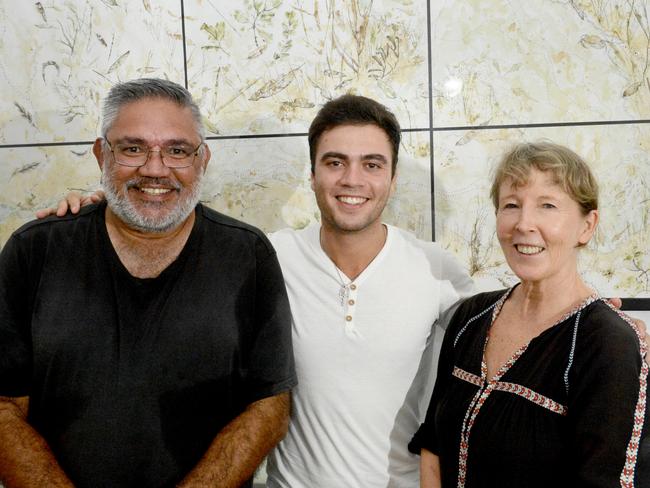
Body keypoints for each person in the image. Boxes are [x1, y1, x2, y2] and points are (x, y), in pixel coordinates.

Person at [36, 98, 646, 487]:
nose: (352, 180)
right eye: (334, 162)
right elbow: (165, 229)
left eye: (372, 164)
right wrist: (97, 209)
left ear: (392, 177)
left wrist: (597, 322)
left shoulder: (442, 275)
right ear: (312, 172)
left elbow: (531, 292)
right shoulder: (261, 257)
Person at [0, 78, 296, 488]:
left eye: (177, 151)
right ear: (102, 153)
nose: (155, 169)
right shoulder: (34, 251)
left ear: (202, 159)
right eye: (133, 148)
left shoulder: (248, 254)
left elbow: (270, 404)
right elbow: (4, 406)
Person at [409, 142, 649, 487]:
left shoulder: (608, 342)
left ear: (587, 225)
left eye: (547, 205)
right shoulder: (471, 316)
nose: (524, 223)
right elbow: (433, 441)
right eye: (511, 205)